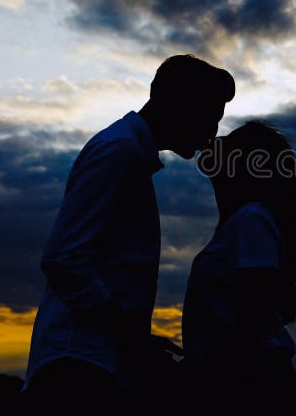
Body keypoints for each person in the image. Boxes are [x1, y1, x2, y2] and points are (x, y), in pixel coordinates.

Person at [20, 54, 235, 410]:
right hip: (79, 365)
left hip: (92, 362)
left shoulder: (127, 152)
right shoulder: (119, 151)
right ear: (180, 104)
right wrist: (131, 338)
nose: (211, 134)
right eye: (209, 118)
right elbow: (64, 259)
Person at [180, 119, 296, 410]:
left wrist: (208, 370)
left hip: (250, 382)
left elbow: (255, 314)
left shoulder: (250, 220)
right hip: (249, 376)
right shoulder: (245, 222)